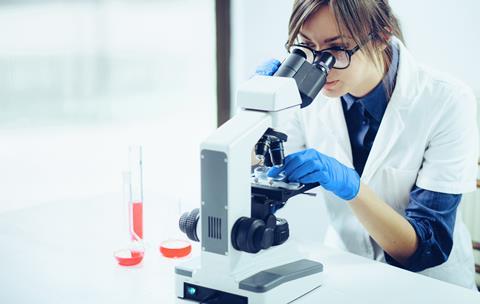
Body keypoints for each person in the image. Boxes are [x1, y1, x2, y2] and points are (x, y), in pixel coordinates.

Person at [256, 0, 478, 289]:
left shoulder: (447, 101)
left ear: (382, 35)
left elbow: (425, 247)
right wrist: (259, 110)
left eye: (336, 49)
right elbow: (263, 168)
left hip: (430, 285)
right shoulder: (305, 97)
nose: (319, 67)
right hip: (347, 269)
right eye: (306, 47)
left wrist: (355, 189)